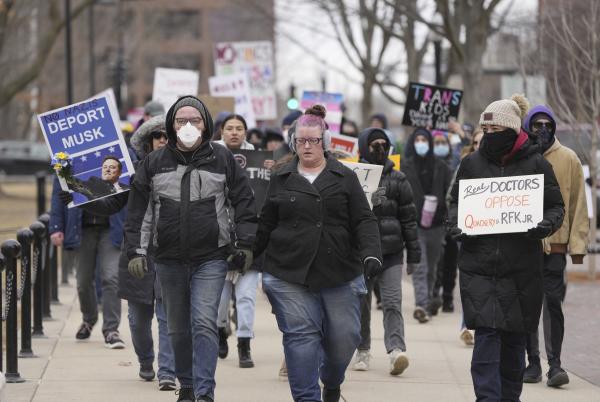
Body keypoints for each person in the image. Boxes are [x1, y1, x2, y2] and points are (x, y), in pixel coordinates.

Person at [125, 95, 257, 402]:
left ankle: (204, 390)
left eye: (195, 120)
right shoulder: (153, 164)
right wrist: (137, 251)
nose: (188, 126)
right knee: (178, 328)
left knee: (203, 323)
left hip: (211, 257)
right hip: (169, 259)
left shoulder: (223, 159)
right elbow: (139, 212)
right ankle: (186, 384)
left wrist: (246, 244)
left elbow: (243, 204)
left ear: (205, 125)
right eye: (181, 120)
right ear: (171, 125)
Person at [255, 105, 382, 402]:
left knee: (345, 338)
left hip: (338, 272)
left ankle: (332, 381)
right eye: (301, 141)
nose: (307, 146)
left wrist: (371, 253)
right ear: (293, 143)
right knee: (301, 337)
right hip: (289, 272)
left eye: (313, 141)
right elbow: (266, 222)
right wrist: (246, 254)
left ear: (324, 142)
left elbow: (363, 219)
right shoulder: (282, 176)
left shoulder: (344, 176)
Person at [448, 95, 564, 401]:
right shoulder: (471, 163)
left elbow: (555, 206)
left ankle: (510, 396)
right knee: (486, 338)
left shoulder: (536, 163)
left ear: (512, 129)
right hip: (479, 266)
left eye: (496, 129)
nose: (490, 135)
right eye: (486, 130)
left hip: (521, 269)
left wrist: (545, 225)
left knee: (514, 342)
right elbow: (455, 204)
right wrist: (456, 226)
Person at [522, 105, 589, 387]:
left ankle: (555, 364)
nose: (542, 129)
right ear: (528, 127)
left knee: (553, 304)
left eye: (547, 124)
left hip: (556, 247)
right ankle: (533, 362)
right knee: (527, 306)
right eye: (536, 124)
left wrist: (577, 245)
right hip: (524, 246)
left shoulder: (569, 159)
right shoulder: (519, 158)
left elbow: (579, 205)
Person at [352, 127, 420, 376]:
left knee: (392, 302)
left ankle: (396, 350)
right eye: (374, 144)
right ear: (364, 148)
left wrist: (413, 254)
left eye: (384, 143)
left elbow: (409, 219)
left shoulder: (399, 179)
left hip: (391, 253)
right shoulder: (353, 177)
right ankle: (362, 349)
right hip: (361, 253)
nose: (379, 148)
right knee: (361, 303)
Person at [52, 173, 127, 348]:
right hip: (81, 228)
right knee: (83, 281)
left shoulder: (118, 153)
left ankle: (111, 329)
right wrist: (56, 227)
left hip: (112, 228)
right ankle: (89, 319)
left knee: (111, 278)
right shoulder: (65, 161)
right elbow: (58, 194)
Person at [213, 114, 261, 369]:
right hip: (219, 241)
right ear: (222, 131)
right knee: (219, 301)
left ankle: (245, 343)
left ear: (245, 132)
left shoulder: (260, 162)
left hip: (249, 239)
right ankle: (221, 332)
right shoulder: (210, 156)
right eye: (229, 128)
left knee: (246, 298)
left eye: (239, 128)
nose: (234, 132)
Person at [401, 127, 452, 323]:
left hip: (437, 224)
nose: (421, 142)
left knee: (431, 267)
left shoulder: (442, 167)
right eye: (417, 139)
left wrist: (446, 214)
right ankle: (421, 304)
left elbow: (449, 193)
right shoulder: (406, 167)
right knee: (419, 266)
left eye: (424, 139)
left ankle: (429, 300)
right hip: (414, 223)